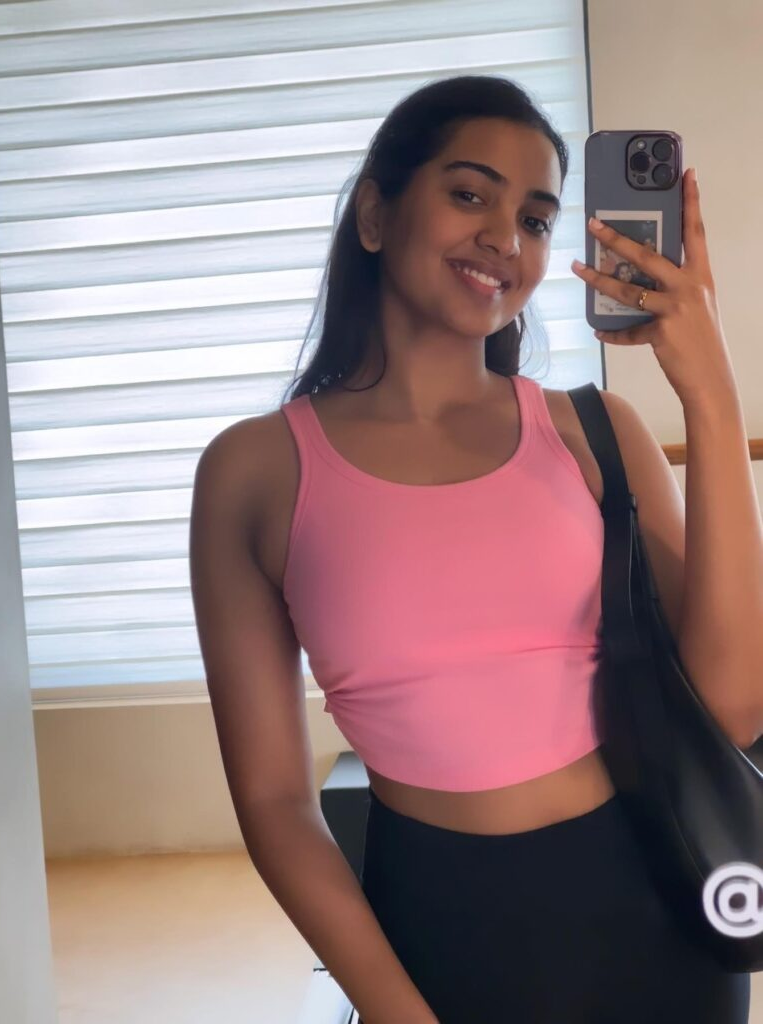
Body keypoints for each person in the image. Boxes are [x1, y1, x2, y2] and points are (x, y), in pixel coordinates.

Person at [189, 75, 751, 1024]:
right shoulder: (255, 471)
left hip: (658, 911)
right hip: (437, 928)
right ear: (375, 214)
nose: (505, 238)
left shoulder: (596, 433)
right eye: (469, 194)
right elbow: (276, 801)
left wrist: (711, 394)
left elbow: (732, 706)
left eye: (534, 220)